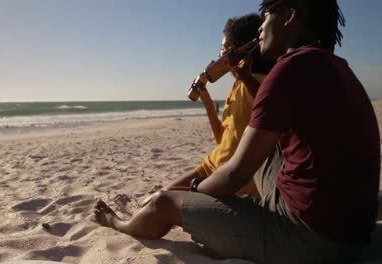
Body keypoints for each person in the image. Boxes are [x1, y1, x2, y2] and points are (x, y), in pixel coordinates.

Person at [94, 0, 381, 263]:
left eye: (267, 16)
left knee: (163, 202)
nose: (261, 28)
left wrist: (195, 193)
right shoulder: (335, 65)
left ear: (290, 16)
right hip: (353, 231)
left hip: (312, 241)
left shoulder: (288, 69)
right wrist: (245, 79)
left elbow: (234, 175)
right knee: (263, 150)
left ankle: (116, 223)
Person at [162, 13, 275, 199]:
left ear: (236, 52)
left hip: (230, 180)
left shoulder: (256, 85)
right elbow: (222, 138)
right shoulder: (238, 86)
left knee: (161, 201)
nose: (218, 56)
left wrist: (246, 79)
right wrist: (206, 100)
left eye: (222, 49)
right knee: (159, 196)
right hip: (211, 165)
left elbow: (272, 106)